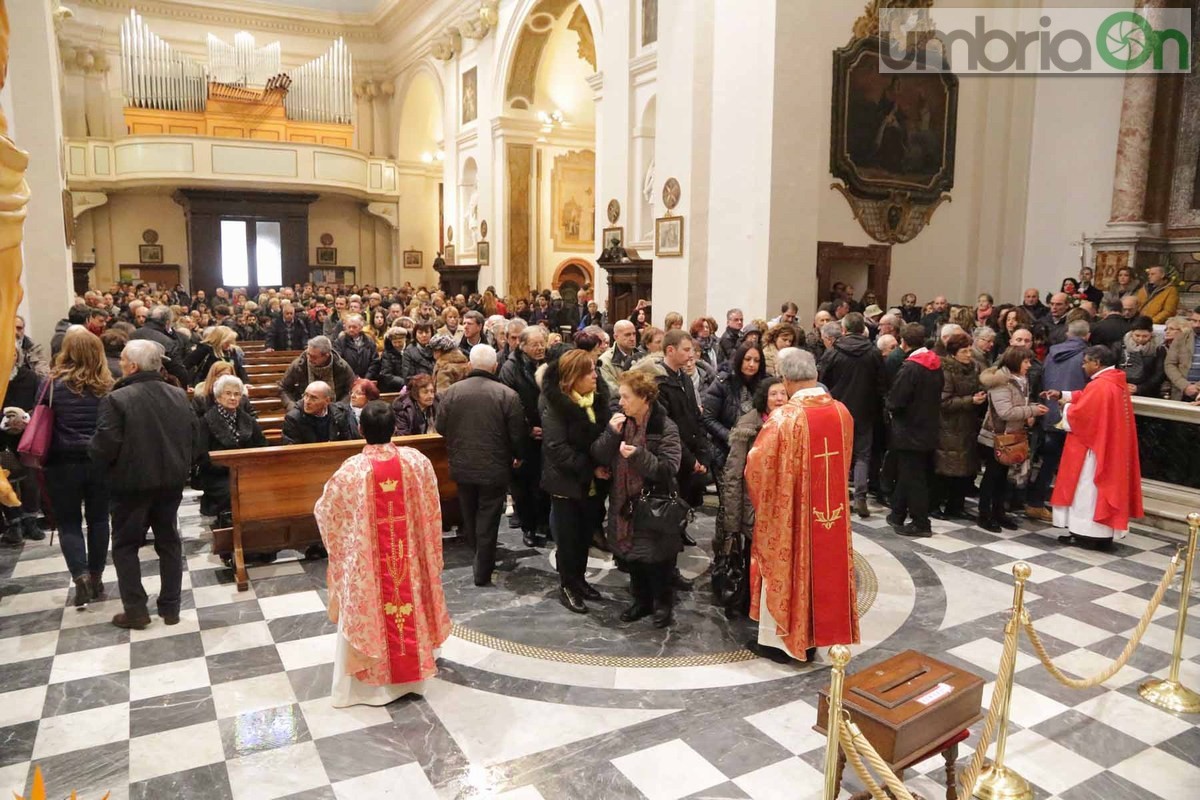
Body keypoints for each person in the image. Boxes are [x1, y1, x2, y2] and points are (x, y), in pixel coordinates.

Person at [314, 400, 452, 707]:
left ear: (360, 429)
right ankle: (412, 680)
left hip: (374, 570)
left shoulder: (352, 471)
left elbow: (327, 511)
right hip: (408, 560)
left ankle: (370, 689)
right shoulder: (417, 462)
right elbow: (432, 509)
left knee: (376, 608)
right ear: (394, 428)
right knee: (408, 605)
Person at [745, 348, 860, 663]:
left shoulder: (785, 418)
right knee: (825, 567)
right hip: (831, 513)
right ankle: (814, 636)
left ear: (784, 378)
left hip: (792, 517)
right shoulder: (841, 413)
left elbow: (757, 466)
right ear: (816, 375)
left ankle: (780, 643)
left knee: (789, 564)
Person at [90, 340, 197, 629]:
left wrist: (97, 461)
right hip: (171, 482)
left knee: (125, 546)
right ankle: (171, 608)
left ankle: (136, 611)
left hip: (130, 486)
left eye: (123, 360)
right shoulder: (178, 395)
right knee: (169, 542)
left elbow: (104, 446)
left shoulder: (117, 399)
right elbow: (193, 438)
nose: (120, 365)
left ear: (133, 366)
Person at [591, 370, 682, 628]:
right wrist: (610, 433)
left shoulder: (664, 426)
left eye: (626, 397)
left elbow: (669, 468)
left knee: (657, 559)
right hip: (623, 503)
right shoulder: (620, 421)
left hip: (653, 504)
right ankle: (641, 601)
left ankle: (663, 604)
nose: (620, 402)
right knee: (632, 556)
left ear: (644, 398)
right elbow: (598, 453)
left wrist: (639, 456)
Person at [436, 345, 525, 586]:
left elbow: (440, 427)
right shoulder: (507, 394)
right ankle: (482, 568)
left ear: (469, 365)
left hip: (462, 464)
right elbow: (517, 433)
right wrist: (518, 455)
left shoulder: (452, 393)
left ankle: (479, 557)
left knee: (470, 513)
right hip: (494, 466)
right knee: (488, 516)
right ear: (494, 366)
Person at [40, 329, 113, 605]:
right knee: (98, 520)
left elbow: (39, 415)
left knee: (69, 522)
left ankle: (80, 576)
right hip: (98, 460)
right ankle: (96, 576)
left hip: (62, 461)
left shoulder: (51, 384)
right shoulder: (107, 384)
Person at [1046, 346, 1143, 549]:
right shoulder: (1114, 381)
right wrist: (1065, 394)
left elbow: (1083, 416)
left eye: (1085, 362)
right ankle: (1102, 535)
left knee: (1086, 491)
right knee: (1096, 492)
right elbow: (1090, 399)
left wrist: (1065, 407)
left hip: (1093, 452)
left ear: (1097, 363)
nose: (1083, 365)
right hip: (1108, 448)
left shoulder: (1101, 386)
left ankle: (1086, 535)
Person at [539, 349, 612, 613]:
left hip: (591, 484)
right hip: (566, 484)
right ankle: (567, 586)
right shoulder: (555, 403)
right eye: (589, 371)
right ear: (573, 378)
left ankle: (579, 581)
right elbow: (556, 448)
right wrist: (591, 469)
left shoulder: (596, 399)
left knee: (583, 537)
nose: (595, 375)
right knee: (568, 541)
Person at [715, 377, 787, 613]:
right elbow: (734, 475)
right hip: (752, 505)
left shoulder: (790, 424)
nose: (779, 399)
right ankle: (747, 601)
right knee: (750, 558)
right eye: (773, 394)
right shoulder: (748, 427)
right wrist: (732, 522)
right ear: (763, 398)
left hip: (780, 504)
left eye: (783, 394)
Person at [635, 329, 709, 553]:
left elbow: (695, 417)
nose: (691, 355)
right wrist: (689, 459)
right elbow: (668, 426)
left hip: (690, 450)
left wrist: (702, 455)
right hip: (673, 454)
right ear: (670, 350)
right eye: (686, 350)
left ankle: (680, 528)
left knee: (685, 499)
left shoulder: (684, 377)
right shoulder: (660, 382)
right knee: (668, 502)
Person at [819, 312, 886, 519]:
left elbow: (822, 381)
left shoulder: (833, 352)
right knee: (862, 456)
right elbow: (882, 383)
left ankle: (838, 497)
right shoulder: (873, 352)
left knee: (837, 455)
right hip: (865, 411)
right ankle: (860, 497)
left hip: (837, 411)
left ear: (844, 329)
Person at [977, 348, 1049, 532]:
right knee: (992, 477)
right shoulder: (1001, 382)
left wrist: (1031, 409)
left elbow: (1018, 405)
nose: (1029, 365)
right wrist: (1031, 411)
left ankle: (999, 512)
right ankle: (984, 514)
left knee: (1003, 478)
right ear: (1015, 361)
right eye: (1026, 362)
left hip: (1012, 436)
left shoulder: (1020, 380)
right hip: (997, 436)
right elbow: (1005, 412)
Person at [1025, 320, 1090, 521]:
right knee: (1066, 463)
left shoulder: (1051, 354)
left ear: (1068, 334)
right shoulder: (1086, 356)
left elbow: (1043, 379)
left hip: (1049, 410)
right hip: (1073, 413)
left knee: (1046, 460)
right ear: (1087, 336)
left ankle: (1033, 500)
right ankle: (1050, 503)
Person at [885, 323, 944, 536]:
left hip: (909, 430)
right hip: (927, 427)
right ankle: (897, 513)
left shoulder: (911, 367)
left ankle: (921, 523)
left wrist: (889, 404)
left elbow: (896, 400)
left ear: (904, 342)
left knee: (914, 477)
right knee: (909, 472)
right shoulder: (935, 363)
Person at [500, 326, 549, 548]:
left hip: (548, 432)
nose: (540, 348)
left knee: (543, 483)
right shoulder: (511, 368)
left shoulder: (548, 363)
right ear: (523, 345)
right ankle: (528, 527)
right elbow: (512, 404)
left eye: (542, 343)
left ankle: (544, 524)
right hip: (524, 436)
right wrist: (528, 428)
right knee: (524, 485)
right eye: (535, 344)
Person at [196, 375, 267, 516]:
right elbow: (201, 456)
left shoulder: (248, 420)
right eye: (228, 393)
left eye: (237, 394)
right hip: (217, 475)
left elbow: (262, 445)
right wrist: (232, 467)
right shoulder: (205, 422)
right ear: (218, 397)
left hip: (247, 472)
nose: (233, 398)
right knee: (235, 491)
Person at [934, 333, 984, 520]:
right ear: (954, 353)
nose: (969, 354)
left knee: (964, 470)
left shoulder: (974, 368)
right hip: (949, 427)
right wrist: (970, 400)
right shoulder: (947, 370)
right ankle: (936, 504)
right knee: (946, 470)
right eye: (964, 351)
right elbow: (943, 402)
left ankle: (956, 506)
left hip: (968, 425)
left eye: (970, 350)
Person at [702, 343, 766, 472]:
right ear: (739, 359)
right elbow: (708, 418)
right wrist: (731, 437)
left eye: (756, 361)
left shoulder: (765, 384)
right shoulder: (723, 383)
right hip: (725, 448)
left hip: (758, 448)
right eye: (747, 359)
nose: (752, 364)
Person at [279, 336, 356, 409]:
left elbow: (352, 389)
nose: (309, 359)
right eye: (308, 354)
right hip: (303, 410)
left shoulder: (341, 367)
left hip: (335, 410)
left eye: (314, 357)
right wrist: (292, 406)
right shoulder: (299, 365)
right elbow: (283, 388)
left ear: (326, 355)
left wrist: (339, 407)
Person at [130, 305, 191, 386]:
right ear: (168, 322)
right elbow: (179, 372)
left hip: (131, 381)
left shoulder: (132, 334)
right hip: (155, 385)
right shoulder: (167, 342)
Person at [281, 381, 357, 444]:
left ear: (327, 401)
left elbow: (347, 442)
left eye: (313, 398)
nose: (307, 401)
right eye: (306, 395)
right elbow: (292, 449)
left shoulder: (340, 414)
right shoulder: (293, 418)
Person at [1117, 316, 1165, 397]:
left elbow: (1159, 373)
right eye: (1137, 335)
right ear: (1132, 333)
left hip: (1148, 391)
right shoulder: (1119, 346)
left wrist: (1140, 388)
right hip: (1121, 388)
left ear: (1151, 334)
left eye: (1145, 336)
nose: (1140, 339)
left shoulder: (1158, 348)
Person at [1164, 306, 1200, 401]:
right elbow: (1170, 364)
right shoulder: (1182, 337)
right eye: (1194, 321)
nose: (1197, 325)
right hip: (1181, 391)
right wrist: (1185, 386)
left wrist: (1197, 387)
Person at [334, 314, 380, 380]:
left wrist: (367, 378)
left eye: (354, 327)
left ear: (361, 327)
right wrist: (352, 378)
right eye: (349, 327)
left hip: (367, 380)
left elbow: (375, 362)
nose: (351, 329)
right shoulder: (340, 342)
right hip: (347, 380)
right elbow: (338, 362)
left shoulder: (369, 341)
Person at [599, 319, 638, 395]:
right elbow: (613, 391)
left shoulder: (642, 357)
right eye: (627, 335)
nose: (632, 338)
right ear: (616, 337)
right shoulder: (605, 361)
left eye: (634, 334)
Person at [376, 326, 409, 392]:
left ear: (405, 339)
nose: (397, 345)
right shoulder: (387, 354)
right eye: (394, 342)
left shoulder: (410, 350)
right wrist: (404, 383)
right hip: (393, 388)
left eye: (399, 342)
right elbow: (387, 375)